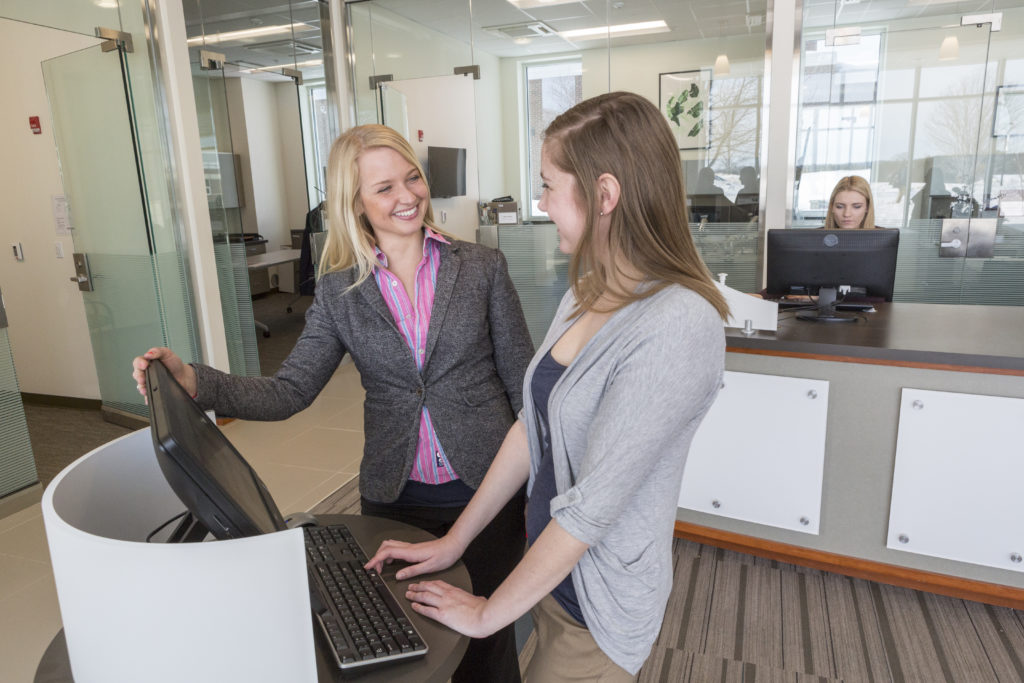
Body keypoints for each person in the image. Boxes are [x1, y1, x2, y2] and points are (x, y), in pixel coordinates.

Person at [131, 124, 534, 683]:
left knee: (485, 648)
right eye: (384, 188)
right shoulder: (340, 290)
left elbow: (524, 387)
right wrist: (196, 382)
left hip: (486, 492)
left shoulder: (481, 268)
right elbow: (290, 390)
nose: (407, 196)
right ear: (356, 204)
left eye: (412, 178)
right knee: (410, 650)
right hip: (397, 497)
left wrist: (544, 492)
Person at [367, 91, 729, 681]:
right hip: (546, 580)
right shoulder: (586, 292)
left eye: (548, 186)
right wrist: (456, 542)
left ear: (604, 195)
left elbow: (592, 511)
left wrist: (488, 614)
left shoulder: (678, 324)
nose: (539, 203)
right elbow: (528, 431)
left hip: (596, 608)